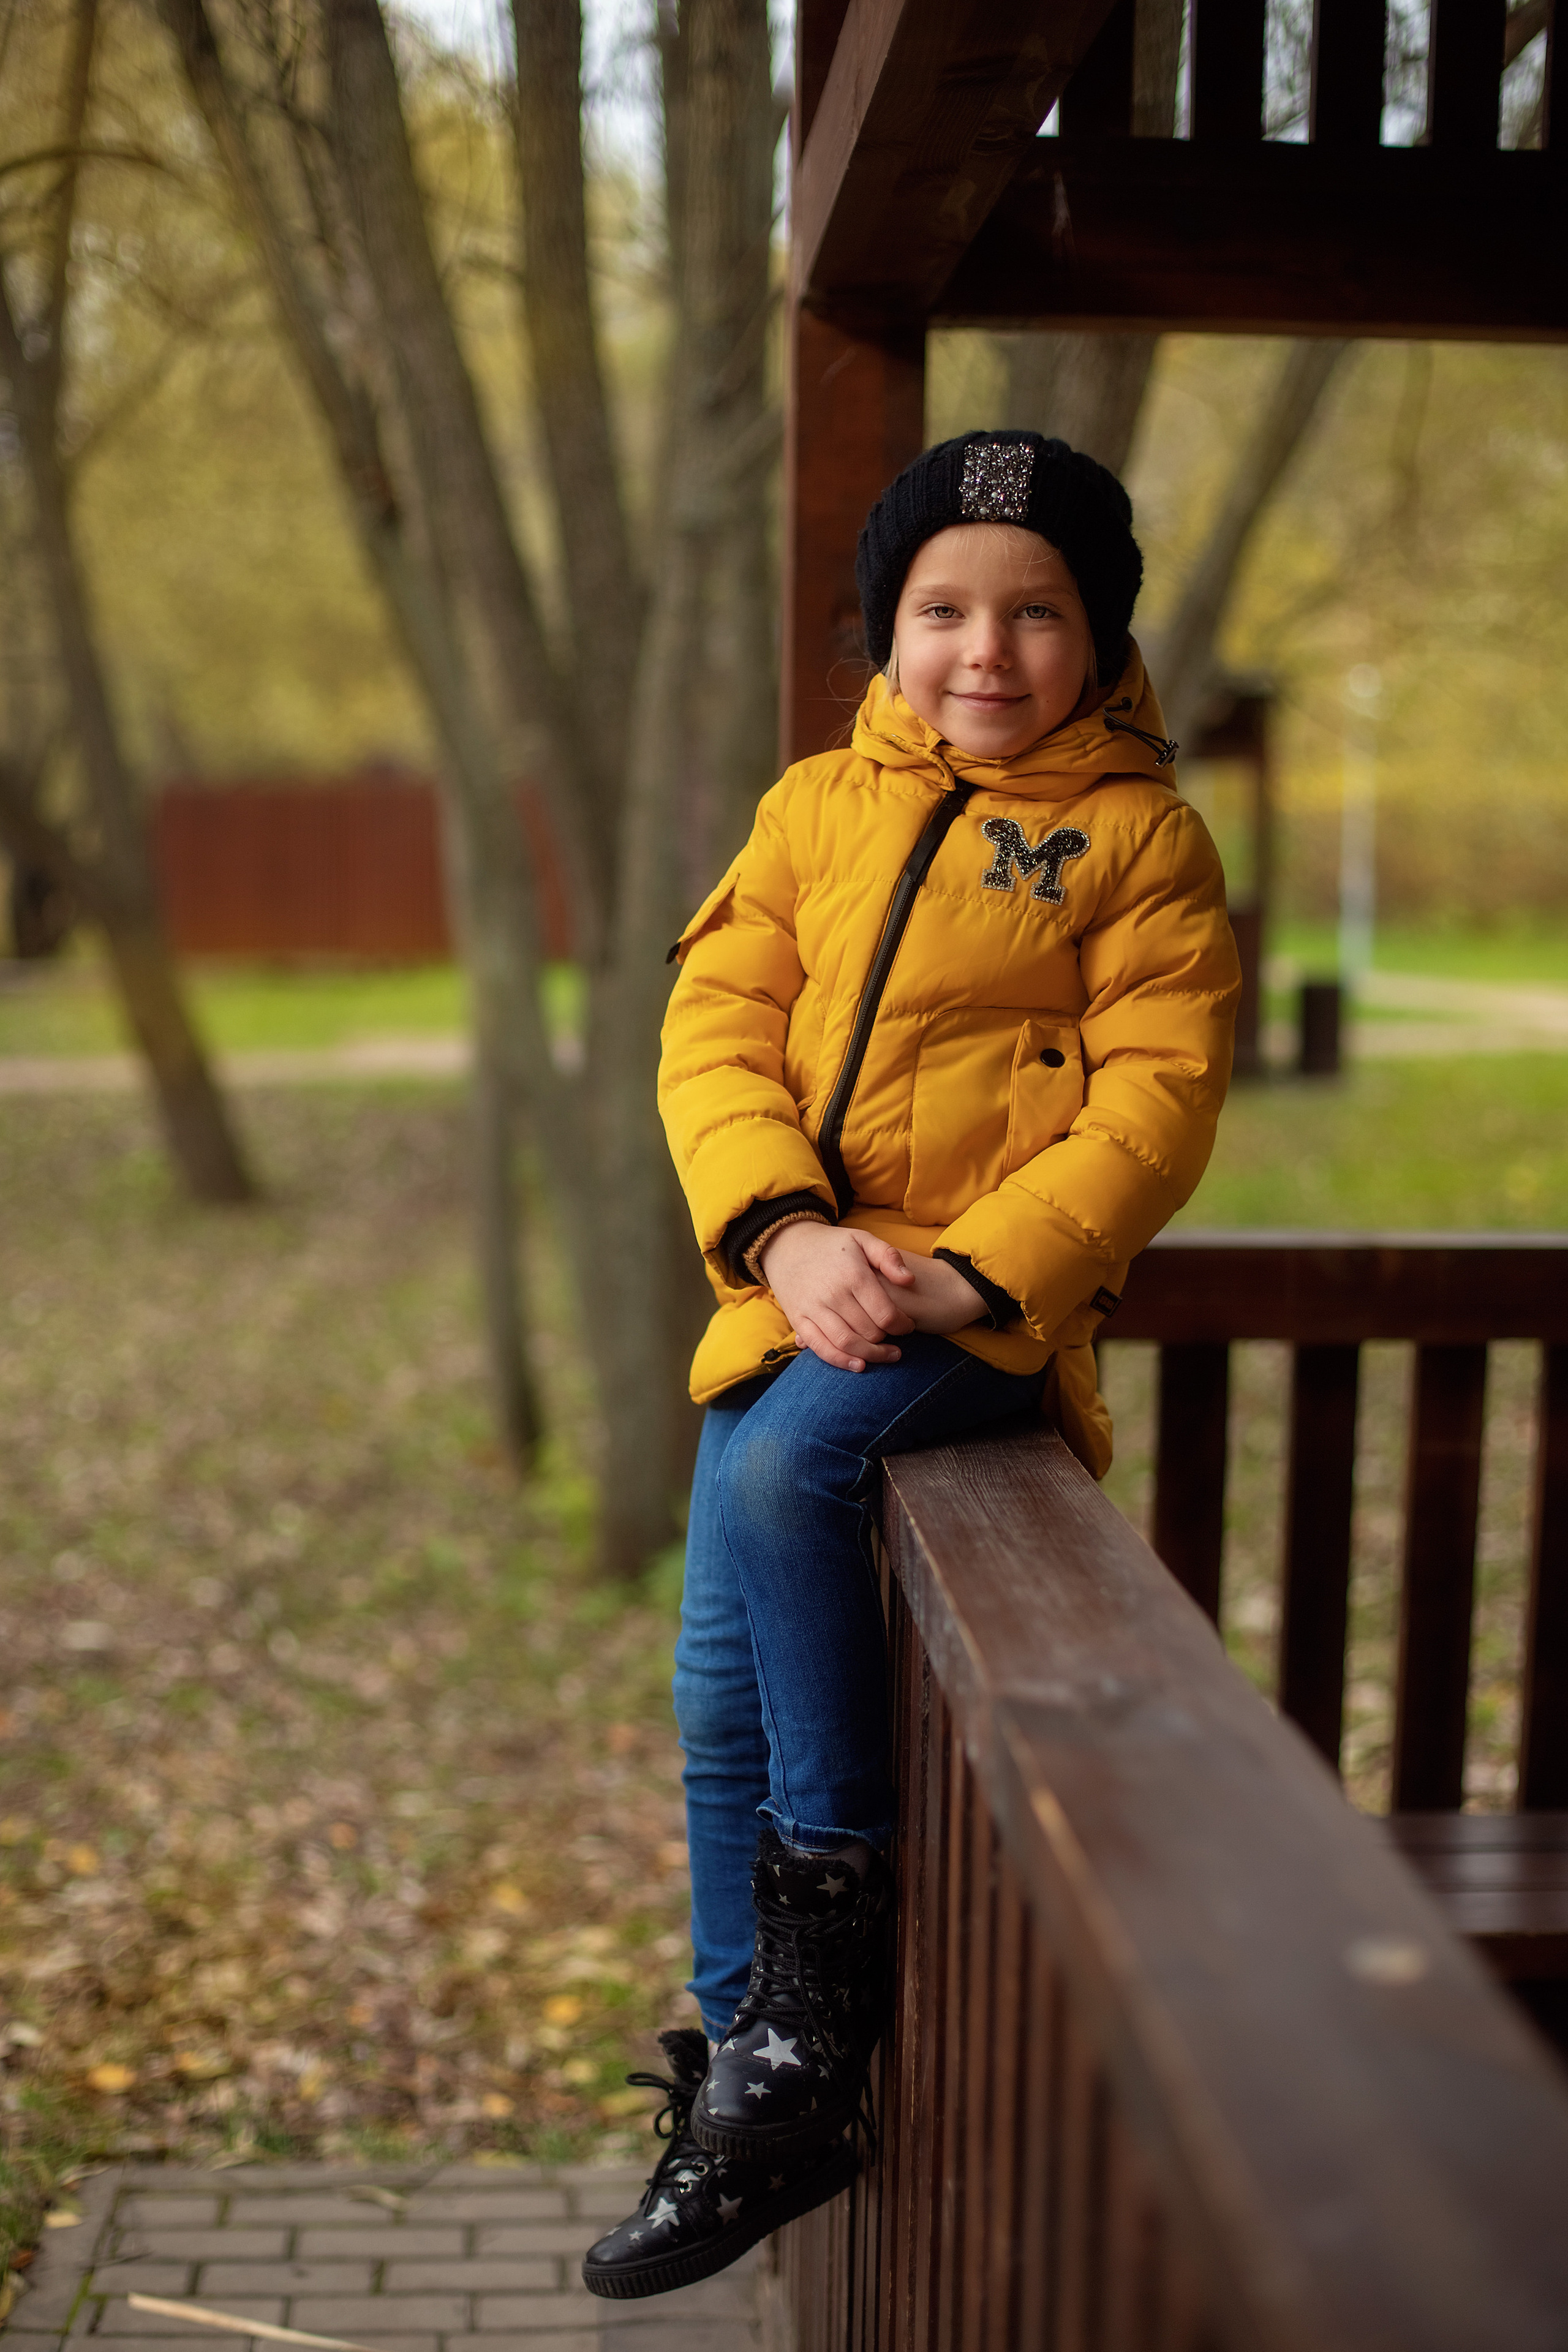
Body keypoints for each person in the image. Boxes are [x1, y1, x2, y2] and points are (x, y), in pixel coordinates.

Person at [582, 430, 1240, 2298]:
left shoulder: (1141, 841)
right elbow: (713, 1033)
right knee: (715, 1691)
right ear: (887, 630)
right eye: (943, 608)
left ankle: (830, 1963)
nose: (985, 649)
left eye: (1037, 612)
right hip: (785, 1305)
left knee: (799, 1477)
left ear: (1098, 635)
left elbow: (1157, 1104)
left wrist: (964, 1276)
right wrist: (787, 1233)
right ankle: (749, 2081)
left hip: (972, 1328)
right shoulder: (812, 809)